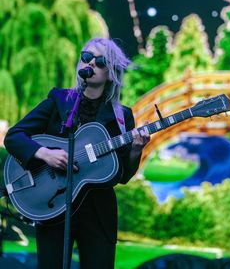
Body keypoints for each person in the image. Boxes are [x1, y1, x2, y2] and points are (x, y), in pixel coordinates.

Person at [4, 37, 150, 269]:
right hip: (54, 205)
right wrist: (44, 153)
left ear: (111, 73)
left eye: (100, 61)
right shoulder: (59, 101)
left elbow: (122, 175)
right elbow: (14, 136)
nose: (90, 64)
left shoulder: (122, 116)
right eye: (86, 57)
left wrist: (135, 150)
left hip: (98, 212)